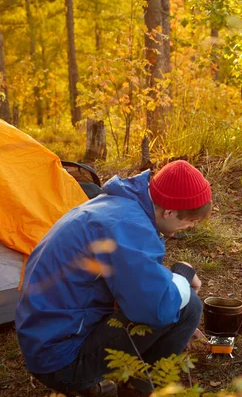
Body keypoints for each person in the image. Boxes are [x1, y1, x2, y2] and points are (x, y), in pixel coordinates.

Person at [16, 160, 213, 397]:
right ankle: (140, 390)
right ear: (169, 211)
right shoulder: (129, 226)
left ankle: (91, 385)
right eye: (189, 220)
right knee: (189, 305)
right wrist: (182, 276)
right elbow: (156, 307)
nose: (190, 226)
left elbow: (135, 278)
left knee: (171, 295)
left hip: (42, 340)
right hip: (61, 360)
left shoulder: (118, 206)